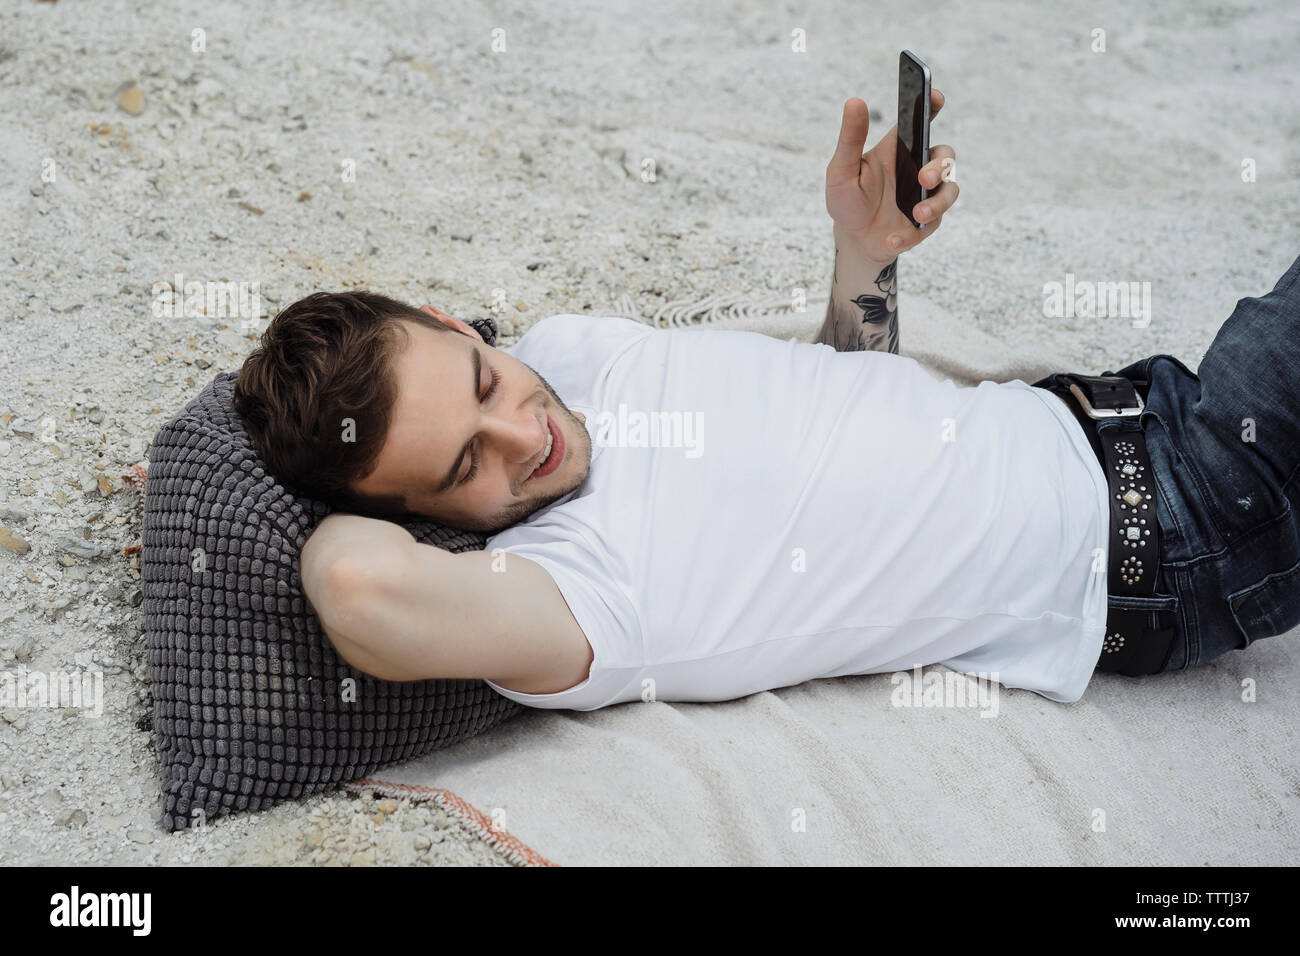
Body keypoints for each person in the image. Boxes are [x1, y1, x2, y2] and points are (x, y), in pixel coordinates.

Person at [232, 90, 1300, 709]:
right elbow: (362, 591)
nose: (526, 432)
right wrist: (312, 492)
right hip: (1178, 533)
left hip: (1139, 411)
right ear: (416, 516)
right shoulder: (566, 600)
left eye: (481, 381)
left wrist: (864, 258)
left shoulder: (569, 349)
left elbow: (833, 413)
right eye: (464, 463)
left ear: (457, 322)